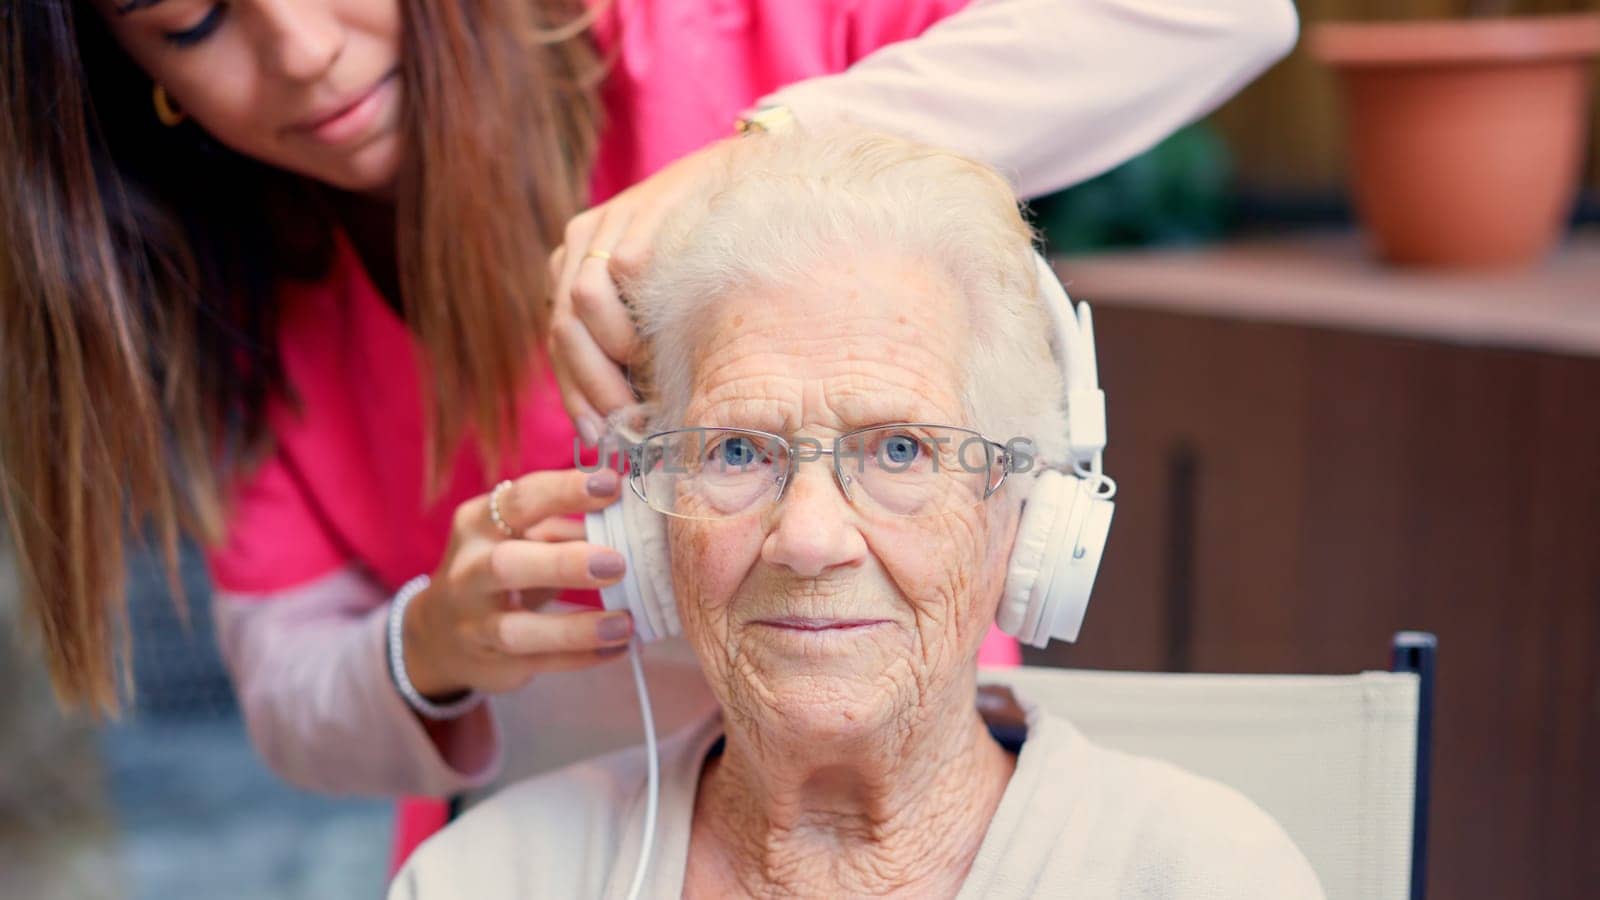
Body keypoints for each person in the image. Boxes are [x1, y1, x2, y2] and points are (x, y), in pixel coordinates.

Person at [0, 0, 1299, 812]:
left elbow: (1220, 15)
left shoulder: (713, 27)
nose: (300, 48)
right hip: (535, 836)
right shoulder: (238, 287)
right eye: (189, 20)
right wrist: (429, 648)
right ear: (133, 73)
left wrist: (774, 156)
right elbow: (289, 693)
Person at [389, 124, 1324, 900]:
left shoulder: (1207, 876)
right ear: (650, 528)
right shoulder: (485, 880)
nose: (807, 538)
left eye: (901, 450)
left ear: (1029, 512)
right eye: (738, 451)